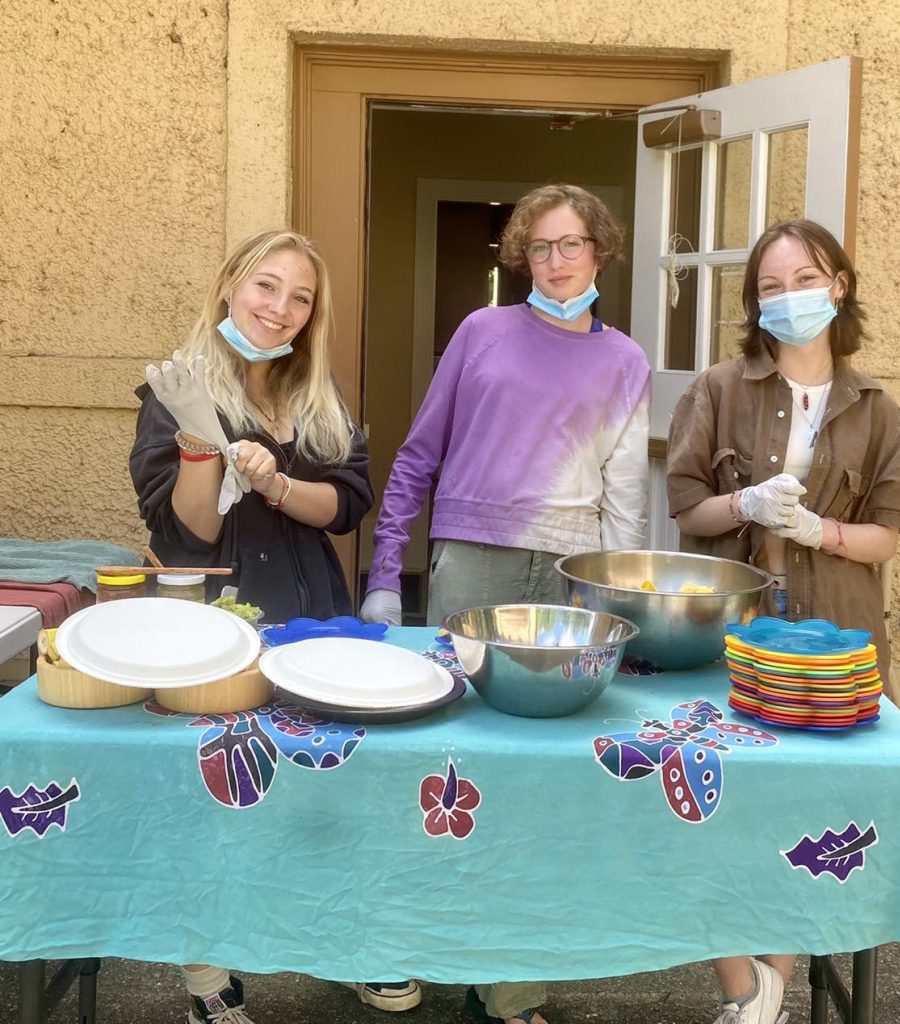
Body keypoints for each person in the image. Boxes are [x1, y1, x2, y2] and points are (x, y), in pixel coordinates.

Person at [361, 184, 652, 1024]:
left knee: (540, 782)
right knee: (441, 761)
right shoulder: (481, 332)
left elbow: (626, 499)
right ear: (521, 256)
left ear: (601, 252)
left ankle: (512, 983)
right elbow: (419, 454)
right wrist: (388, 569)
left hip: (567, 577)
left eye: (571, 246)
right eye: (539, 248)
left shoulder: (626, 361)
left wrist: (622, 603)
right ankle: (403, 944)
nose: (555, 262)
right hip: (471, 568)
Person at [129, 229, 417, 1022]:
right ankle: (209, 979)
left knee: (336, 787)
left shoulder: (316, 396)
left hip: (314, 617)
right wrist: (199, 444)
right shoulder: (176, 388)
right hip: (218, 622)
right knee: (214, 793)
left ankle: (352, 944)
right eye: (265, 287)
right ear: (230, 287)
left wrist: (280, 482)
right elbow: (186, 533)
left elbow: (346, 507)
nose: (279, 309)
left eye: (300, 297)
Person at [665, 219, 900, 1024]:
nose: (789, 299)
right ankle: (748, 990)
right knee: (713, 807)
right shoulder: (717, 389)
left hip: (835, 644)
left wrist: (823, 532)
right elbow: (687, 510)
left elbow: (889, 529)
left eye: (804, 279)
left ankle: (763, 994)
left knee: (810, 814)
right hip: (732, 639)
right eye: (770, 288)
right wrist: (743, 503)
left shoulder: (878, 409)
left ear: (838, 284)